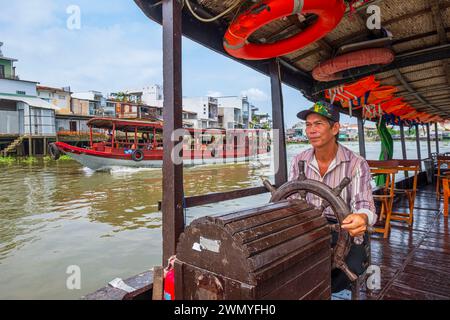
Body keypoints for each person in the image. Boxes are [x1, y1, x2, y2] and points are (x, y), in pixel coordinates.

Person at [290, 100, 377, 294]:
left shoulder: (356, 164)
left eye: (318, 124)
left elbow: (365, 205)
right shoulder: (298, 160)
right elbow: (292, 201)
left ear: (335, 128)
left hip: (344, 230)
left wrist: (362, 217)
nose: (311, 130)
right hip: (309, 228)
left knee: (342, 271)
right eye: (308, 125)